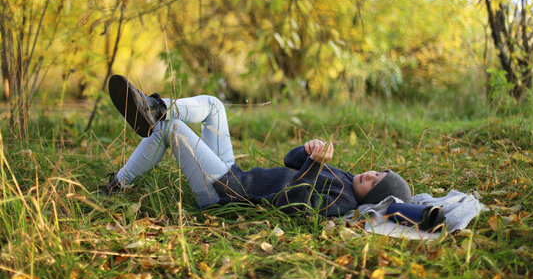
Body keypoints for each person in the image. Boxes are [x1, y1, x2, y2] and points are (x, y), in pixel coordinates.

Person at [101, 75, 412, 217]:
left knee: (172, 131)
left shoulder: (343, 202)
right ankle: (156, 107)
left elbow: (297, 201)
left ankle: (118, 183)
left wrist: (315, 166)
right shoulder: (344, 177)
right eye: (376, 172)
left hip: (224, 193)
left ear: (374, 197)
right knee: (213, 105)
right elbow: (290, 163)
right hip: (235, 174)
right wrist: (305, 150)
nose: (369, 175)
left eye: (375, 182)